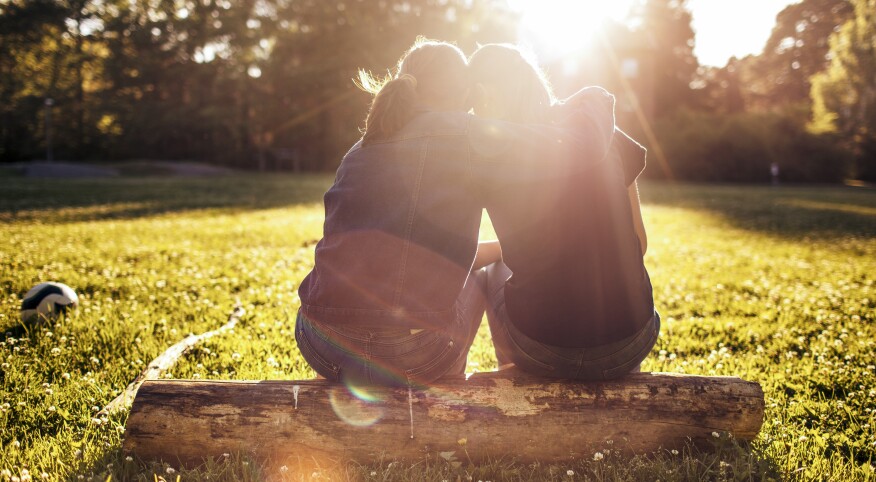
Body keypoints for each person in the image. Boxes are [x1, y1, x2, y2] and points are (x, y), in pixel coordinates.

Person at [295, 38, 617, 388]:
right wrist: (596, 99)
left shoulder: (362, 146)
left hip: (322, 343)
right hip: (415, 352)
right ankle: (449, 391)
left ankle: (346, 386)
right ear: (466, 92)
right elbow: (581, 147)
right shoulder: (470, 137)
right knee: (477, 277)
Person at [467, 44, 659, 380]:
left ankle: (517, 381)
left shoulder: (490, 152)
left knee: (490, 272)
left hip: (541, 349)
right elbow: (639, 243)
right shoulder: (602, 130)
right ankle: (613, 376)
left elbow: (460, 253)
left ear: (484, 96)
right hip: (631, 342)